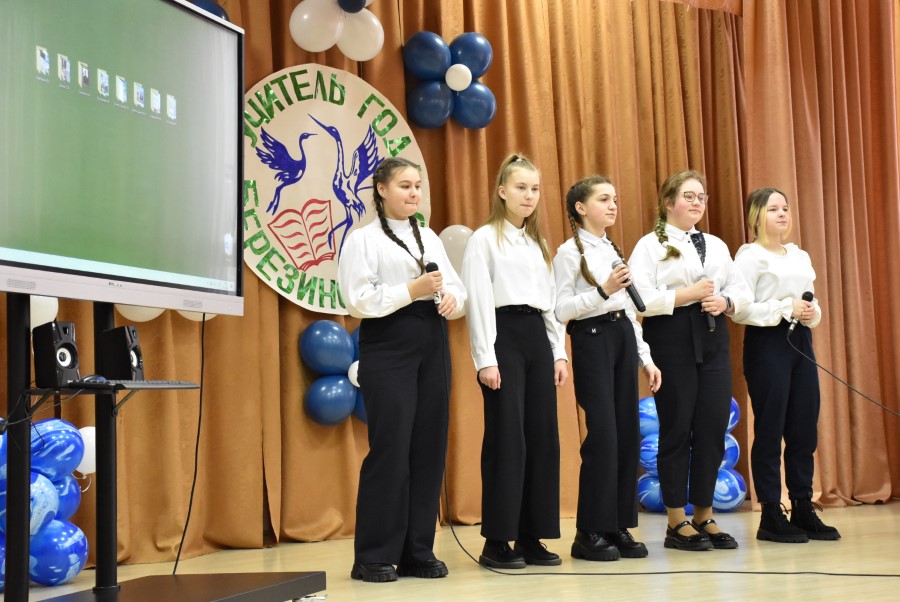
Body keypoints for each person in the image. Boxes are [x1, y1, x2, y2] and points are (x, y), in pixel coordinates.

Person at [338, 157, 467, 583]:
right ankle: (373, 555)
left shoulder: (428, 237)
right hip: (388, 344)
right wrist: (411, 290)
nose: (414, 193)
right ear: (381, 189)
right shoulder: (362, 240)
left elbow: (456, 287)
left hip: (432, 342)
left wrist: (453, 300)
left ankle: (417, 551)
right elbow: (357, 299)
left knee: (428, 446)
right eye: (405, 186)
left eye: (417, 186)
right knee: (391, 447)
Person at [628, 170, 750, 551]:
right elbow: (639, 298)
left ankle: (704, 514)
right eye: (688, 196)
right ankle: (675, 520)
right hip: (671, 338)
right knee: (677, 427)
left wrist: (725, 301)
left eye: (702, 197)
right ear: (669, 202)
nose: (697, 203)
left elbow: (741, 290)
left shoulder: (716, 245)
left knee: (712, 426)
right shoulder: (649, 245)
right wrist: (687, 294)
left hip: (712, 337)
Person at [461, 153, 568, 569]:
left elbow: (550, 303)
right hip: (502, 336)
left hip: (536, 338)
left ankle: (530, 536)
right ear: (502, 191)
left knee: (542, 438)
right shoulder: (484, 239)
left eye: (535, 189)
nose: (529, 195)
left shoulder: (538, 244)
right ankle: (496, 541)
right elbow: (479, 301)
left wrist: (558, 352)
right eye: (521, 187)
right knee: (507, 439)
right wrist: (485, 359)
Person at [553, 175, 662, 561]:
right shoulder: (569, 253)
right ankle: (589, 531)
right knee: (603, 435)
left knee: (626, 434)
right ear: (581, 208)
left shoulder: (614, 248)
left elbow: (631, 311)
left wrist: (646, 358)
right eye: (603, 199)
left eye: (614, 198)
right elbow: (560, 309)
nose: (613, 205)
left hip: (621, 337)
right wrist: (603, 290)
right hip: (593, 338)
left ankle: (618, 525)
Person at [732, 187, 840, 543]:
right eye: (773, 209)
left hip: (800, 342)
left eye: (785, 208)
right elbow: (741, 309)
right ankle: (770, 513)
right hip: (767, 345)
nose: (782, 214)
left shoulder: (798, 255)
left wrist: (810, 311)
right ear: (756, 216)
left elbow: (812, 300)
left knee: (803, 428)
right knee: (770, 427)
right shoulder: (749, 257)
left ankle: (803, 505)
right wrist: (782, 308)